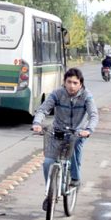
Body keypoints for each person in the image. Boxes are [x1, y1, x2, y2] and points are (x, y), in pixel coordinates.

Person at [32, 68, 99, 210]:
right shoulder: (57, 94)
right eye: (69, 82)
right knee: (47, 163)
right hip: (57, 132)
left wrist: (88, 130)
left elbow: (93, 115)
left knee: (75, 147)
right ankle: (49, 193)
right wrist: (37, 123)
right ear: (64, 82)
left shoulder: (87, 96)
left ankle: (75, 178)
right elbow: (43, 109)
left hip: (78, 133)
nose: (72, 86)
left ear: (81, 84)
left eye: (75, 83)